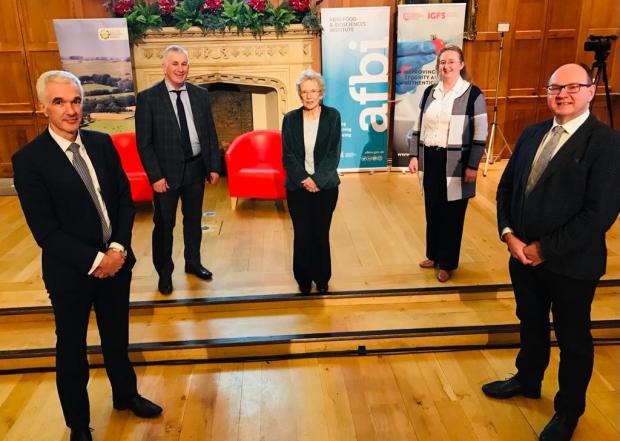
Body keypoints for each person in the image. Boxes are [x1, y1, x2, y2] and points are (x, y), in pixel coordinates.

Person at [12, 71, 162, 441]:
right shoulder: (29, 160)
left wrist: (117, 249)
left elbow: (124, 201)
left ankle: (125, 395)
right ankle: (78, 424)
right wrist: (97, 261)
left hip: (117, 263)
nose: (70, 109)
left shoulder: (101, 143)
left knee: (116, 337)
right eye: (60, 102)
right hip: (72, 273)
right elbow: (45, 231)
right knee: (72, 349)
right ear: (43, 106)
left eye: (76, 101)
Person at [482, 63, 620, 441]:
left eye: (573, 87)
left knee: (573, 339)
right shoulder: (532, 133)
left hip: (571, 265)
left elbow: (599, 213)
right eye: (555, 87)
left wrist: (545, 249)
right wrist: (509, 235)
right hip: (522, 256)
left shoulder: (607, 143)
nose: (563, 94)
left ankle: (567, 411)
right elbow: (506, 189)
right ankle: (527, 379)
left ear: (591, 91)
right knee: (530, 323)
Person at [135, 45, 221, 295]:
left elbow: (209, 134)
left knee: (193, 221)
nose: (180, 69)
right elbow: (144, 143)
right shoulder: (148, 98)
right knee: (164, 224)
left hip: (195, 168)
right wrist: (155, 176)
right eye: (175, 64)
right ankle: (164, 273)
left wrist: (214, 165)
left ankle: (193, 263)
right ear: (163, 66)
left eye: (184, 64)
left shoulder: (200, 95)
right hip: (165, 175)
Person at [407, 45, 488, 282]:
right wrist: (414, 155)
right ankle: (433, 254)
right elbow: (417, 125)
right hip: (430, 158)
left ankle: (448, 262)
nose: (446, 66)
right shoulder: (430, 92)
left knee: (452, 213)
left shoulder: (472, 94)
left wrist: (473, 165)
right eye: (443, 62)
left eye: (451, 62)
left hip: (457, 161)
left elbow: (480, 132)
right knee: (432, 209)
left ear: (461, 65)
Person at [282, 70, 341, 294]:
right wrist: (305, 180)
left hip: (325, 187)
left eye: (313, 91)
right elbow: (287, 156)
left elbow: (332, 155)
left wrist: (316, 180)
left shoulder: (333, 116)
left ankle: (322, 277)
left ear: (321, 93)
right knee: (302, 233)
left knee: (320, 233)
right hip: (298, 188)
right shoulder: (290, 119)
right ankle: (304, 279)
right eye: (304, 92)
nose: (308, 96)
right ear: (300, 94)